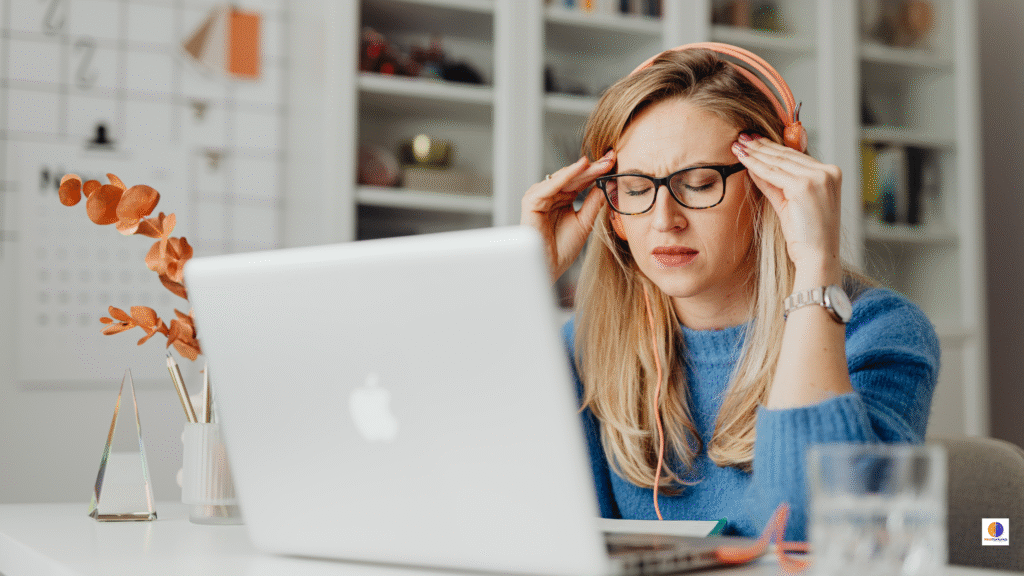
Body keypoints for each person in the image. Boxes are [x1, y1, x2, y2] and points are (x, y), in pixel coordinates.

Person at [520, 43, 940, 542]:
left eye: (698, 184)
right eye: (634, 189)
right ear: (612, 211)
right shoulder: (587, 346)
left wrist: (814, 270)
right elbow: (523, 520)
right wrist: (523, 283)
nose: (663, 220)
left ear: (772, 185)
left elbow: (811, 534)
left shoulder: (880, 333)